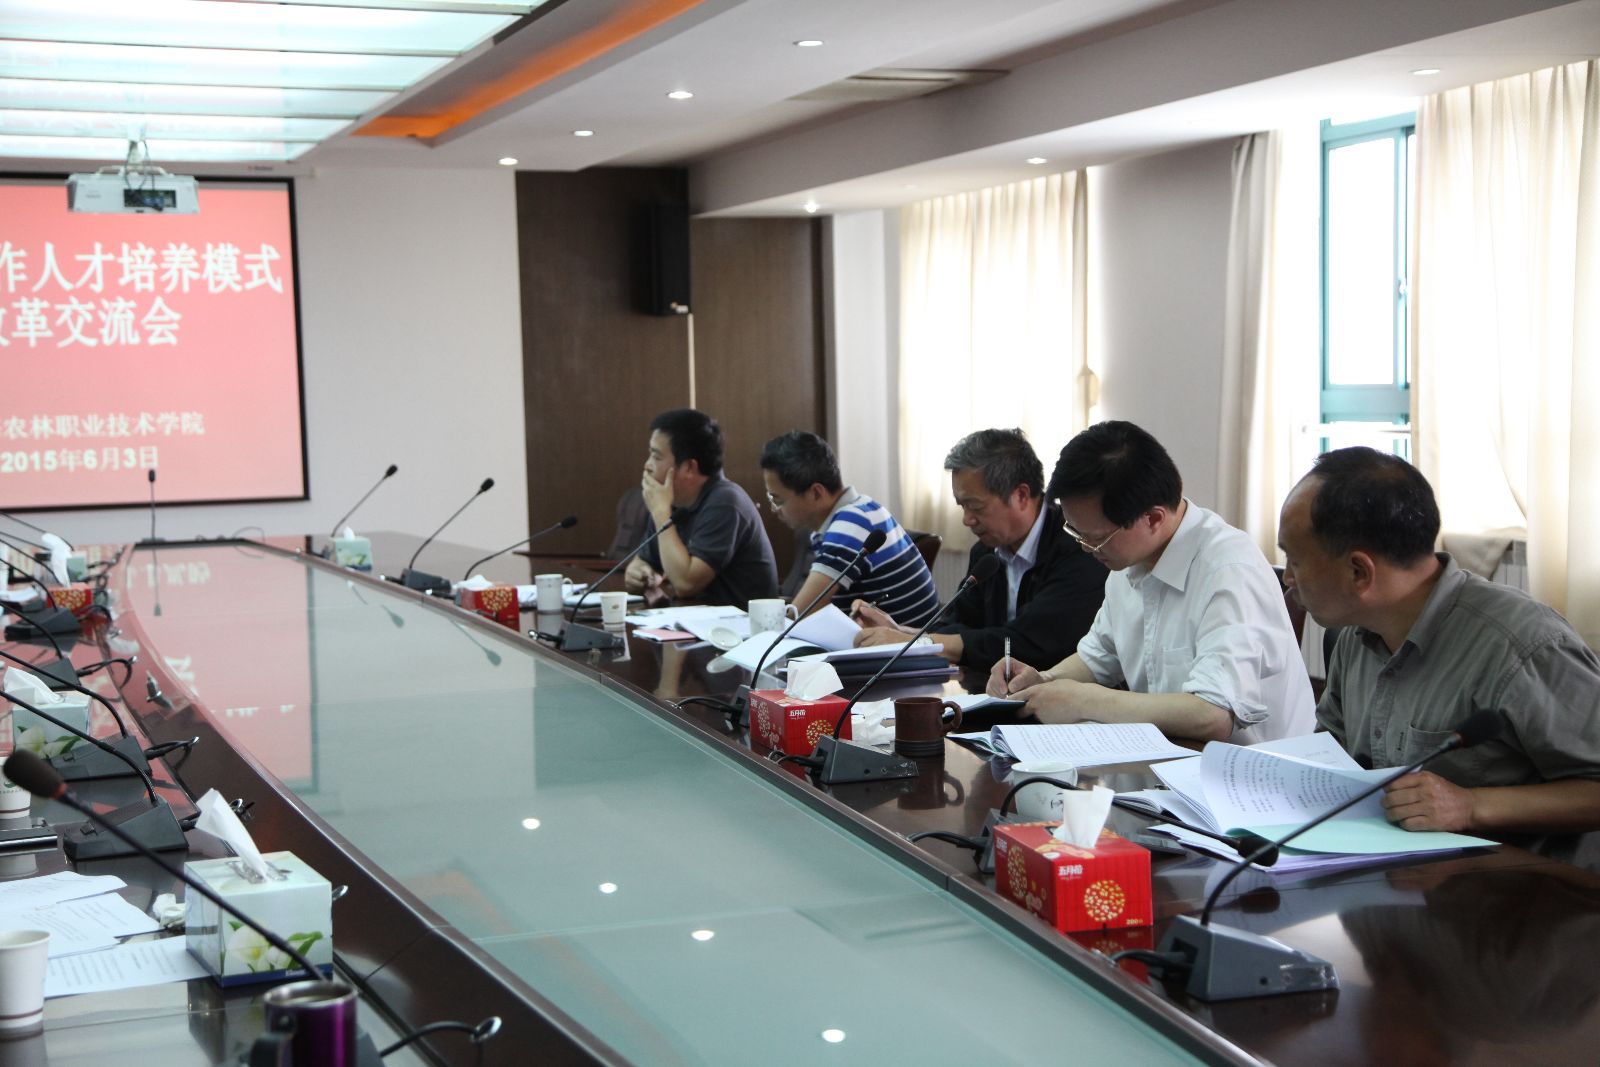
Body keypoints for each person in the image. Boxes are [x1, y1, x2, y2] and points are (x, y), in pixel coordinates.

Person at [1277, 446, 1600, 868]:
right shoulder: (1357, 632)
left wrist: (1471, 806)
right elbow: (1331, 754)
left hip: (1518, 892)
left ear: (1359, 572)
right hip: (1394, 875)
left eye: (1294, 560)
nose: (1288, 578)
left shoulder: (1523, 646)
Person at [990, 420, 1313, 743]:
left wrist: (1083, 700)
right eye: (1076, 533)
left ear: (1154, 518)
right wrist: (1042, 683)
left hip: (1249, 769)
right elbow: (1098, 657)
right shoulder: (1128, 562)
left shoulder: (1229, 570)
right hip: (1166, 762)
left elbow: (1213, 715)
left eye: (1096, 538)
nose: (1086, 549)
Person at [855, 428, 1107, 680]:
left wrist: (918, 642)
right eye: (962, 506)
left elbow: (1031, 642)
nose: (967, 519)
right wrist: (902, 633)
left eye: (975, 506)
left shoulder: (1079, 545)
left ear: (1021, 495)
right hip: (993, 689)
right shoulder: (986, 552)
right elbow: (958, 623)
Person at [758, 430, 940, 626]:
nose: (774, 509)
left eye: (777, 499)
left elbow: (799, 615)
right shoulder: (858, 509)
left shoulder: (852, 524)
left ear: (816, 493)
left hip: (904, 643)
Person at [624, 408, 778, 608]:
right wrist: (638, 574)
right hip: (691, 619)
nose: (647, 465)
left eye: (657, 457)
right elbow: (643, 561)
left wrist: (661, 514)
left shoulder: (726, 502)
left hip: (739, 625)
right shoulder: (671, 501)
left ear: (689, 467)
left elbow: (686, 584)